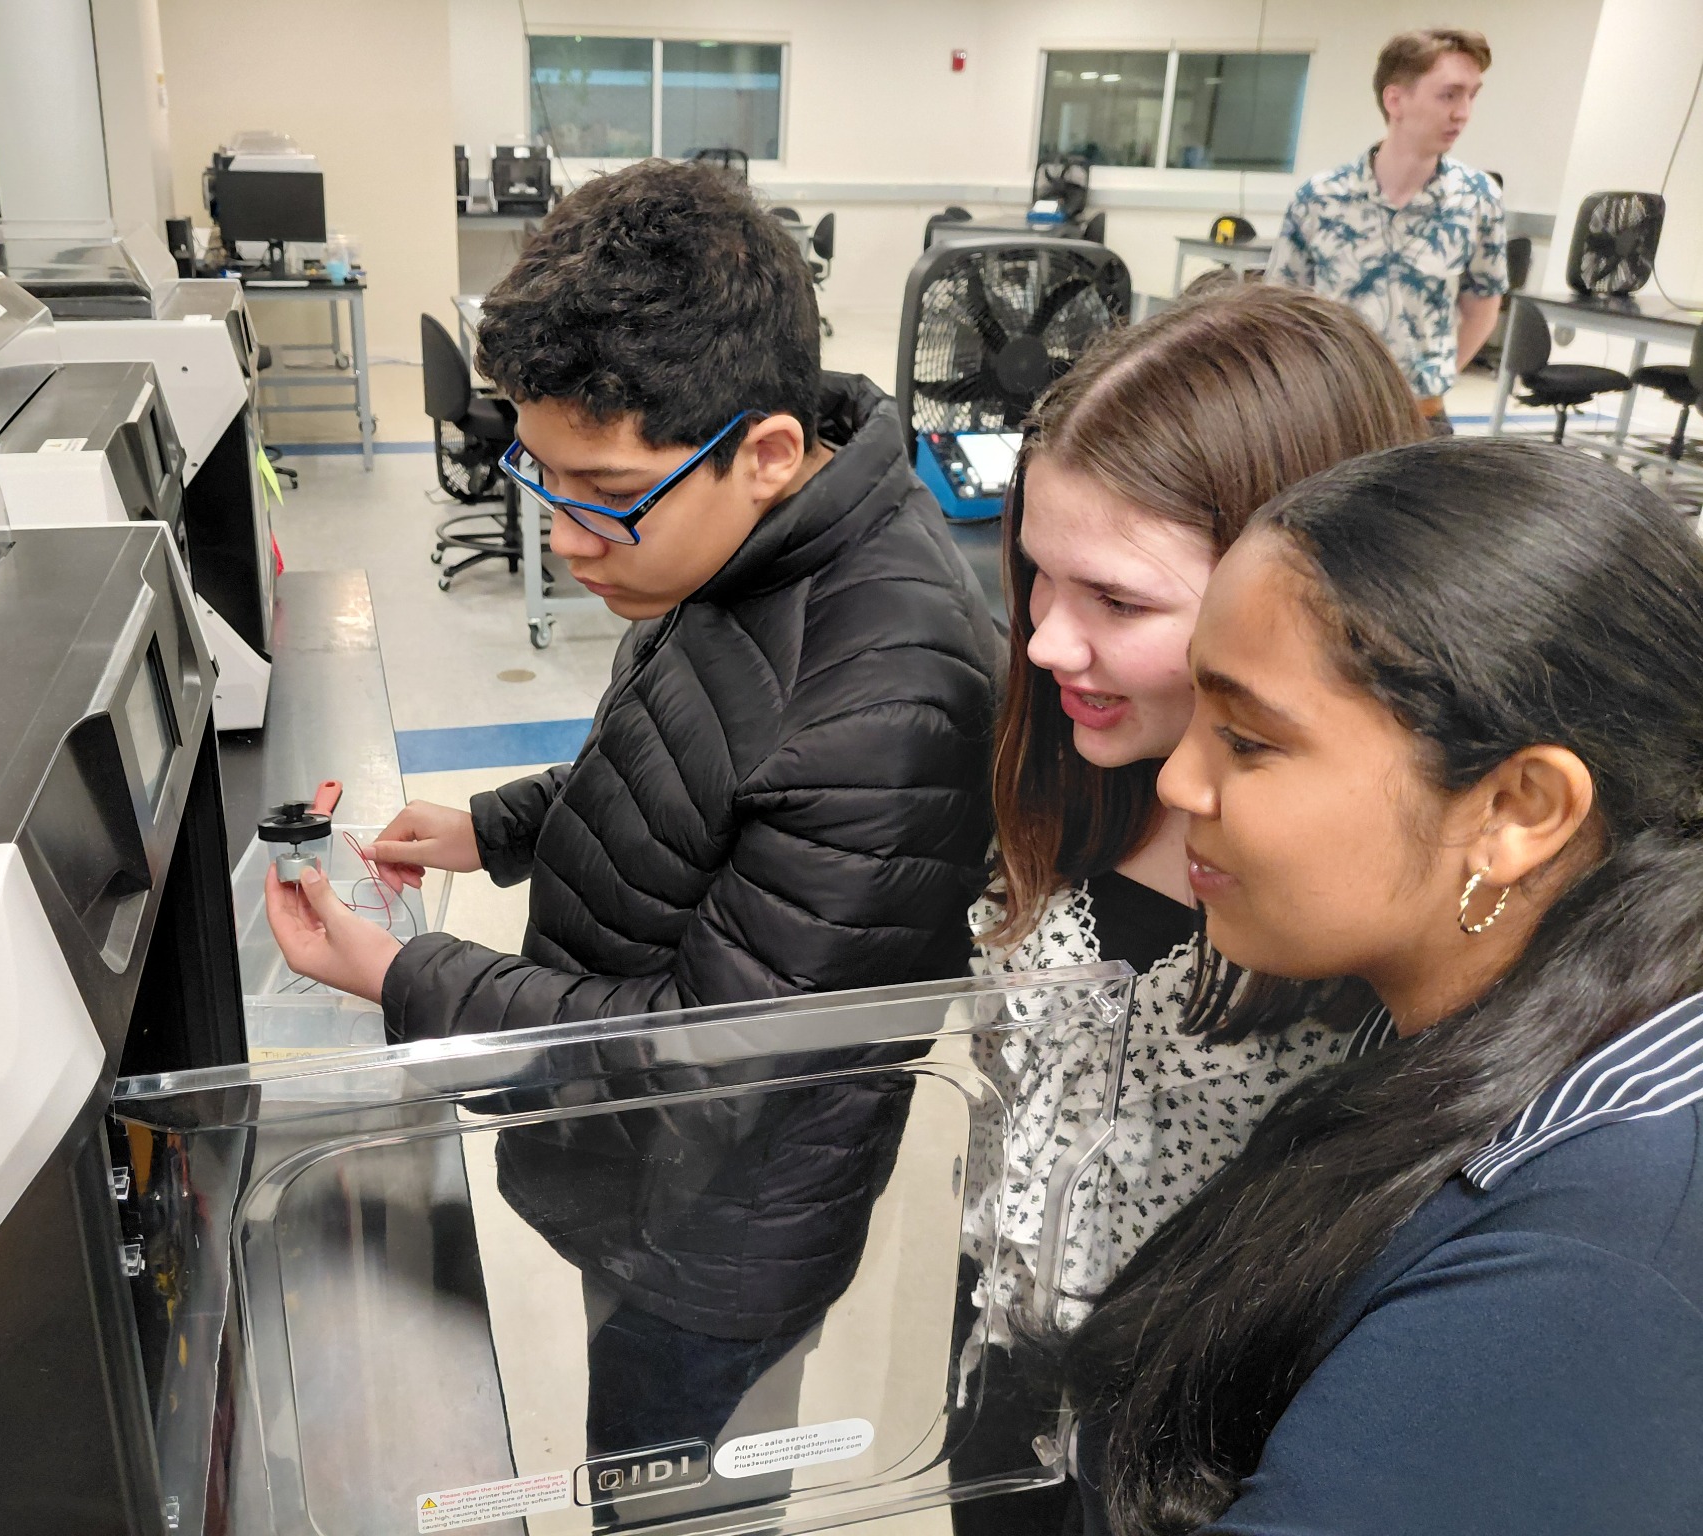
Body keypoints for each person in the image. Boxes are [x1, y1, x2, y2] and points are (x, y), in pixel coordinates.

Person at [265, 158, 1001, 1475]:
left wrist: (400, 971)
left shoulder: (892, 694)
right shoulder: (735, 544)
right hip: (641, 1174)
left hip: (723, 1237)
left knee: (675, 1490)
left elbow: (710, 1048)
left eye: (601, 493)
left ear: (769, 451)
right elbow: (674, 762)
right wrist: (494, 827)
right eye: (539, 478)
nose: (568, 537)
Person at [1060, 438, 1703, 1534]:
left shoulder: (1579, 1262)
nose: (1178, 780)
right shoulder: (1491, 1023)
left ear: (1516, 810)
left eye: (1248, 741)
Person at [947, 283, 1426, 1536]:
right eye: (1034, 579)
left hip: (1182, 1452)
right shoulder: (1064, 758)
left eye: (1117, 602)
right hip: (1005, 1368)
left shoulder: (1366, 910)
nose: (1048, 643)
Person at [1266, 28, 1509, 432]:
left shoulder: (1477, 197)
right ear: (1395, 100)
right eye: (1449, 94)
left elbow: (1483, 303)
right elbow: (1280, 308)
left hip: (1422, 417)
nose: (1463, 112)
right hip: (1329, 416)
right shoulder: (1321, 198)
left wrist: (1433, 378)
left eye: (1472, 95)